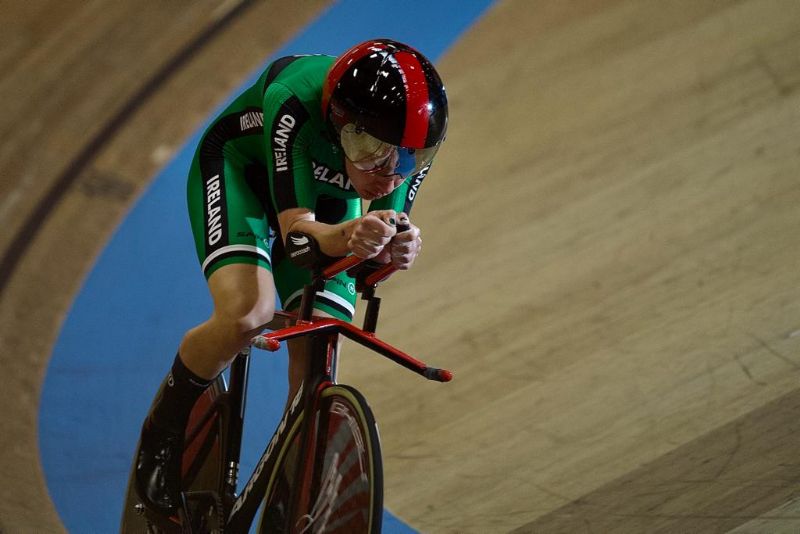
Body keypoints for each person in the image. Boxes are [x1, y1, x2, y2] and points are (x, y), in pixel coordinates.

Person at [134, 38, 448, 516]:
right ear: (342, 124)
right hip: (243, 173)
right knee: (248, 314)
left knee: (320, 344)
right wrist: (352, 234)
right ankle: (163, 431)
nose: (389, 176)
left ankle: (289, 490)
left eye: (407, 160)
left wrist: (395, 249)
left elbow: (371, 262)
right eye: (372, 152)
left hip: (325, 196)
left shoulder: (408, 148)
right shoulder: (294, 100)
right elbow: (298, 239)